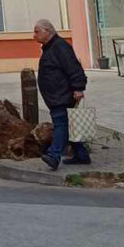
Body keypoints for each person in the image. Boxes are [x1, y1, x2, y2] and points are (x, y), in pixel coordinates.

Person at [34, 19, 90, 170]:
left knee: (60, 124)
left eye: (37, 31)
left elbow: (74, 68)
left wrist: (78, 88)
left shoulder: (60, 46)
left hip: (61, 95)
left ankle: (54, 155)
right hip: (56, 95)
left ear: (47, 31)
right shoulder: (50, 48)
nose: (34, 35)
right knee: (69, 125)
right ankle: (81, 155)